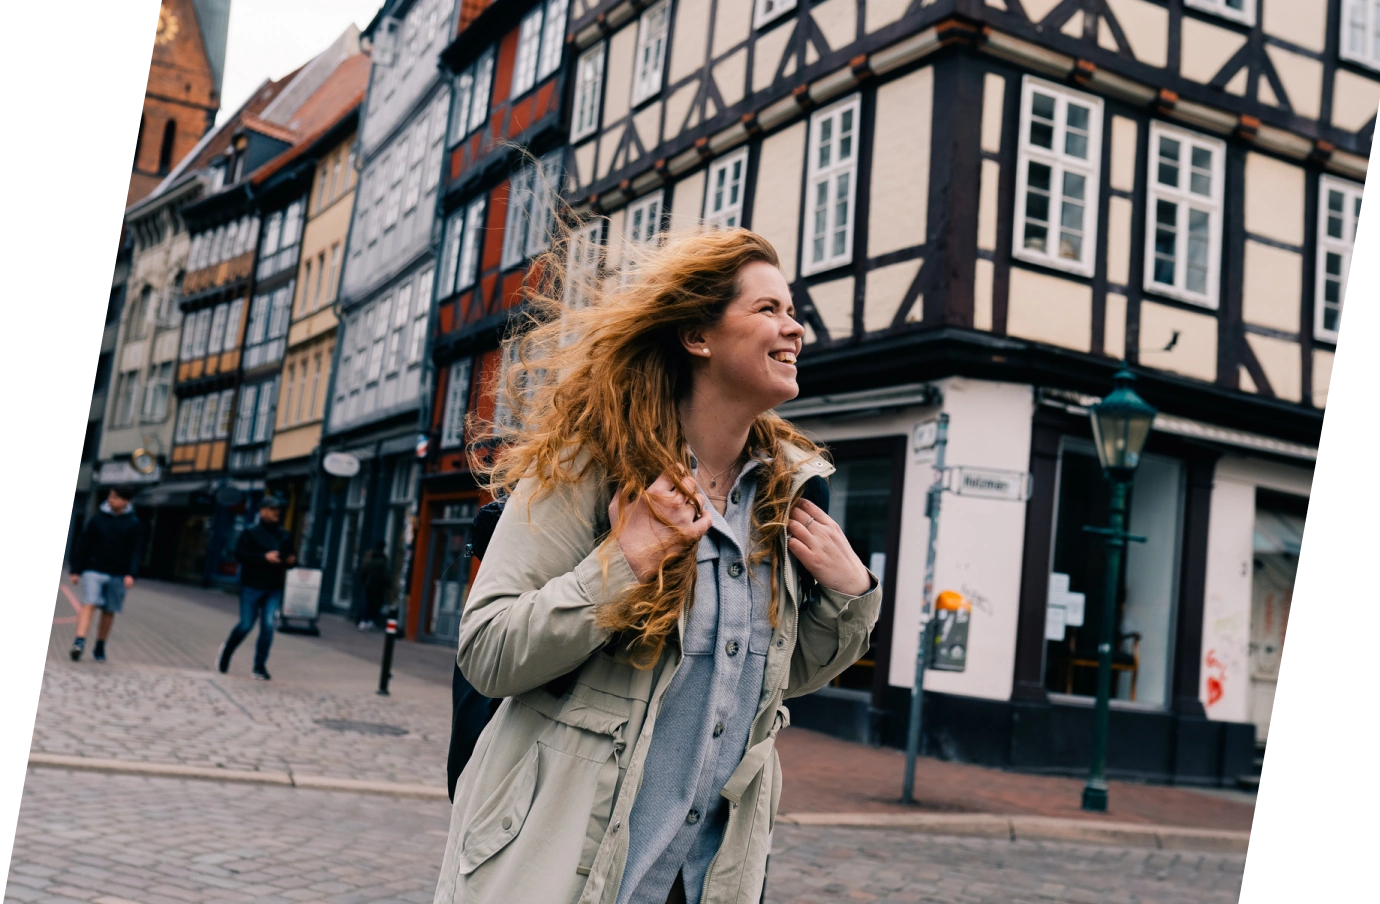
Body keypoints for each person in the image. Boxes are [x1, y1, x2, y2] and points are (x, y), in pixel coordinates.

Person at [433, 221, 882, 904]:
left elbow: (766, 685)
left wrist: (851, 598)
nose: (796, 330)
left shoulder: (784, 494)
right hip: (566, 870)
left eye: (793, 313)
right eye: (768, 310)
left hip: (702, 881)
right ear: (697, 337)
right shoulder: (589, 465)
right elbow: (489, 653)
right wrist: (621, 564)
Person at [217, 496, 296, 680]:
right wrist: (264, 557)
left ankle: (259, 667)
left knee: (268, 626)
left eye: (278, 509)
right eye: (272, 508)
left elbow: (290, 557)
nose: (276, 512)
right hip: (252, 586)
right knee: (246, 625)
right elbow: (240, 556)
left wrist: (291, 561)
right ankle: (227, 651)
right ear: (262, 510)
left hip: (273, 587)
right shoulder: (250, 533)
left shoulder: (284, 535)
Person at [68, 486, 142, 662]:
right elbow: (84, 543)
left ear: (125, 501)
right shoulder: (98, 519)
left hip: (118, 573)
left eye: (115, 497)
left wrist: (131, 574)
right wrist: (76, 569)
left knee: (109, 611)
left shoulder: (133, 523)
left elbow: (136, 551)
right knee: (89, 603)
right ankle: (79, 641)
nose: (111, 499)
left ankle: (100, 645)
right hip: (94, 569)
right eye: (110, 496)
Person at [356, 541, 390, 631]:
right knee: (375, 603)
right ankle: (369, 620)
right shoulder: (383, 559)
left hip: (369, 584)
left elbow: (364, 570)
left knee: (367, 602)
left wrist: (363, 581)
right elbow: (385, 574)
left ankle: (364, 620)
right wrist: (387, 584)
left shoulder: (369, 556)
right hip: (378, 586)